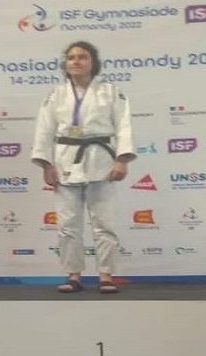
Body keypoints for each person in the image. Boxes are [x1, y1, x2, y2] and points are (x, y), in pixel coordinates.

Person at [31, 41, 136, 294]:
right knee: (67, 224)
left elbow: (124, 126)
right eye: (71, 57)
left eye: (82, 57)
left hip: (101, 159)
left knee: (104, 222)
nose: (76, 61)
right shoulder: (55, 94)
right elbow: (44, 130)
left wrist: (122, 159)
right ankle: (73, 275)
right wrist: (46, 164)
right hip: (65, 160)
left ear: (93, 62)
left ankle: (106, 275)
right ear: (65, 63)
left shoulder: (110, 92)